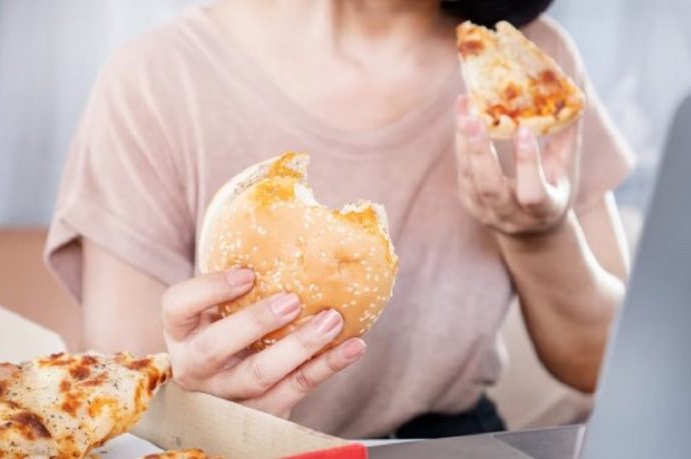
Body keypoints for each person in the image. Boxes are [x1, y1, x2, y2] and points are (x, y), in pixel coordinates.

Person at [45, 0, 633, 439]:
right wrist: (200, 405)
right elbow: (120, 402)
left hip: (454, 443)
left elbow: (605, 364)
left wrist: (536, 234)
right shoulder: (158, 77)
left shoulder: (524, 66)